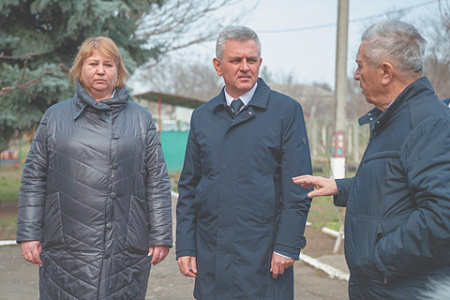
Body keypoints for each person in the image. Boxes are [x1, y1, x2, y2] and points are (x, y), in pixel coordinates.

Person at [293, 20, 450, 299]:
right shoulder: (396, 119)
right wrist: (341, 187)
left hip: (404, 287)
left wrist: (381, 261)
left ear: (386, 72)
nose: (356, 75)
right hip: (384, 285)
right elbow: (395, 184)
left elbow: (443, 214)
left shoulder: (427, 123)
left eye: (360, 65)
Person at [16, 36, 172, 299]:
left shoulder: (140, 118)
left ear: (118, 71)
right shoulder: (54, 117)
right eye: (93, 63)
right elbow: (34, 178)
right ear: (80, 69)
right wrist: (29, 233)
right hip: (66, 242)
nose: (101, 70)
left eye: (108, 64)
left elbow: (156, 180)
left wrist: (161, 235)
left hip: (124, 242)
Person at [176, 26, 312, 300]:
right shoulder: (203, 116)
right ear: (218, 66)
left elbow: (298, 188)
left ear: (260, 63)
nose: (245, 67)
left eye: (252, 60)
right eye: (236, 60)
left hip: (263, 256)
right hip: (212, 255)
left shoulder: (285, 112)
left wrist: (286, 245)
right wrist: (186, 246)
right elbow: (189, 187)